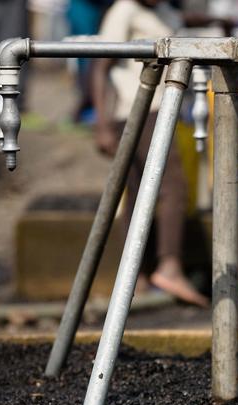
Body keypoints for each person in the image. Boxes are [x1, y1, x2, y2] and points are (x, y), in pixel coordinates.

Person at [92, 0, 208, 307]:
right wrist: (101, 124)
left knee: (135, 192)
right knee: (173, 185)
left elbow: (183, 20)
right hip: (140, 109)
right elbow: (101, 67)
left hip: (163, 107)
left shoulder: (162, 12)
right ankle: (169, 266)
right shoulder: (124, 11)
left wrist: (218, 21)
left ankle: (135, 278)